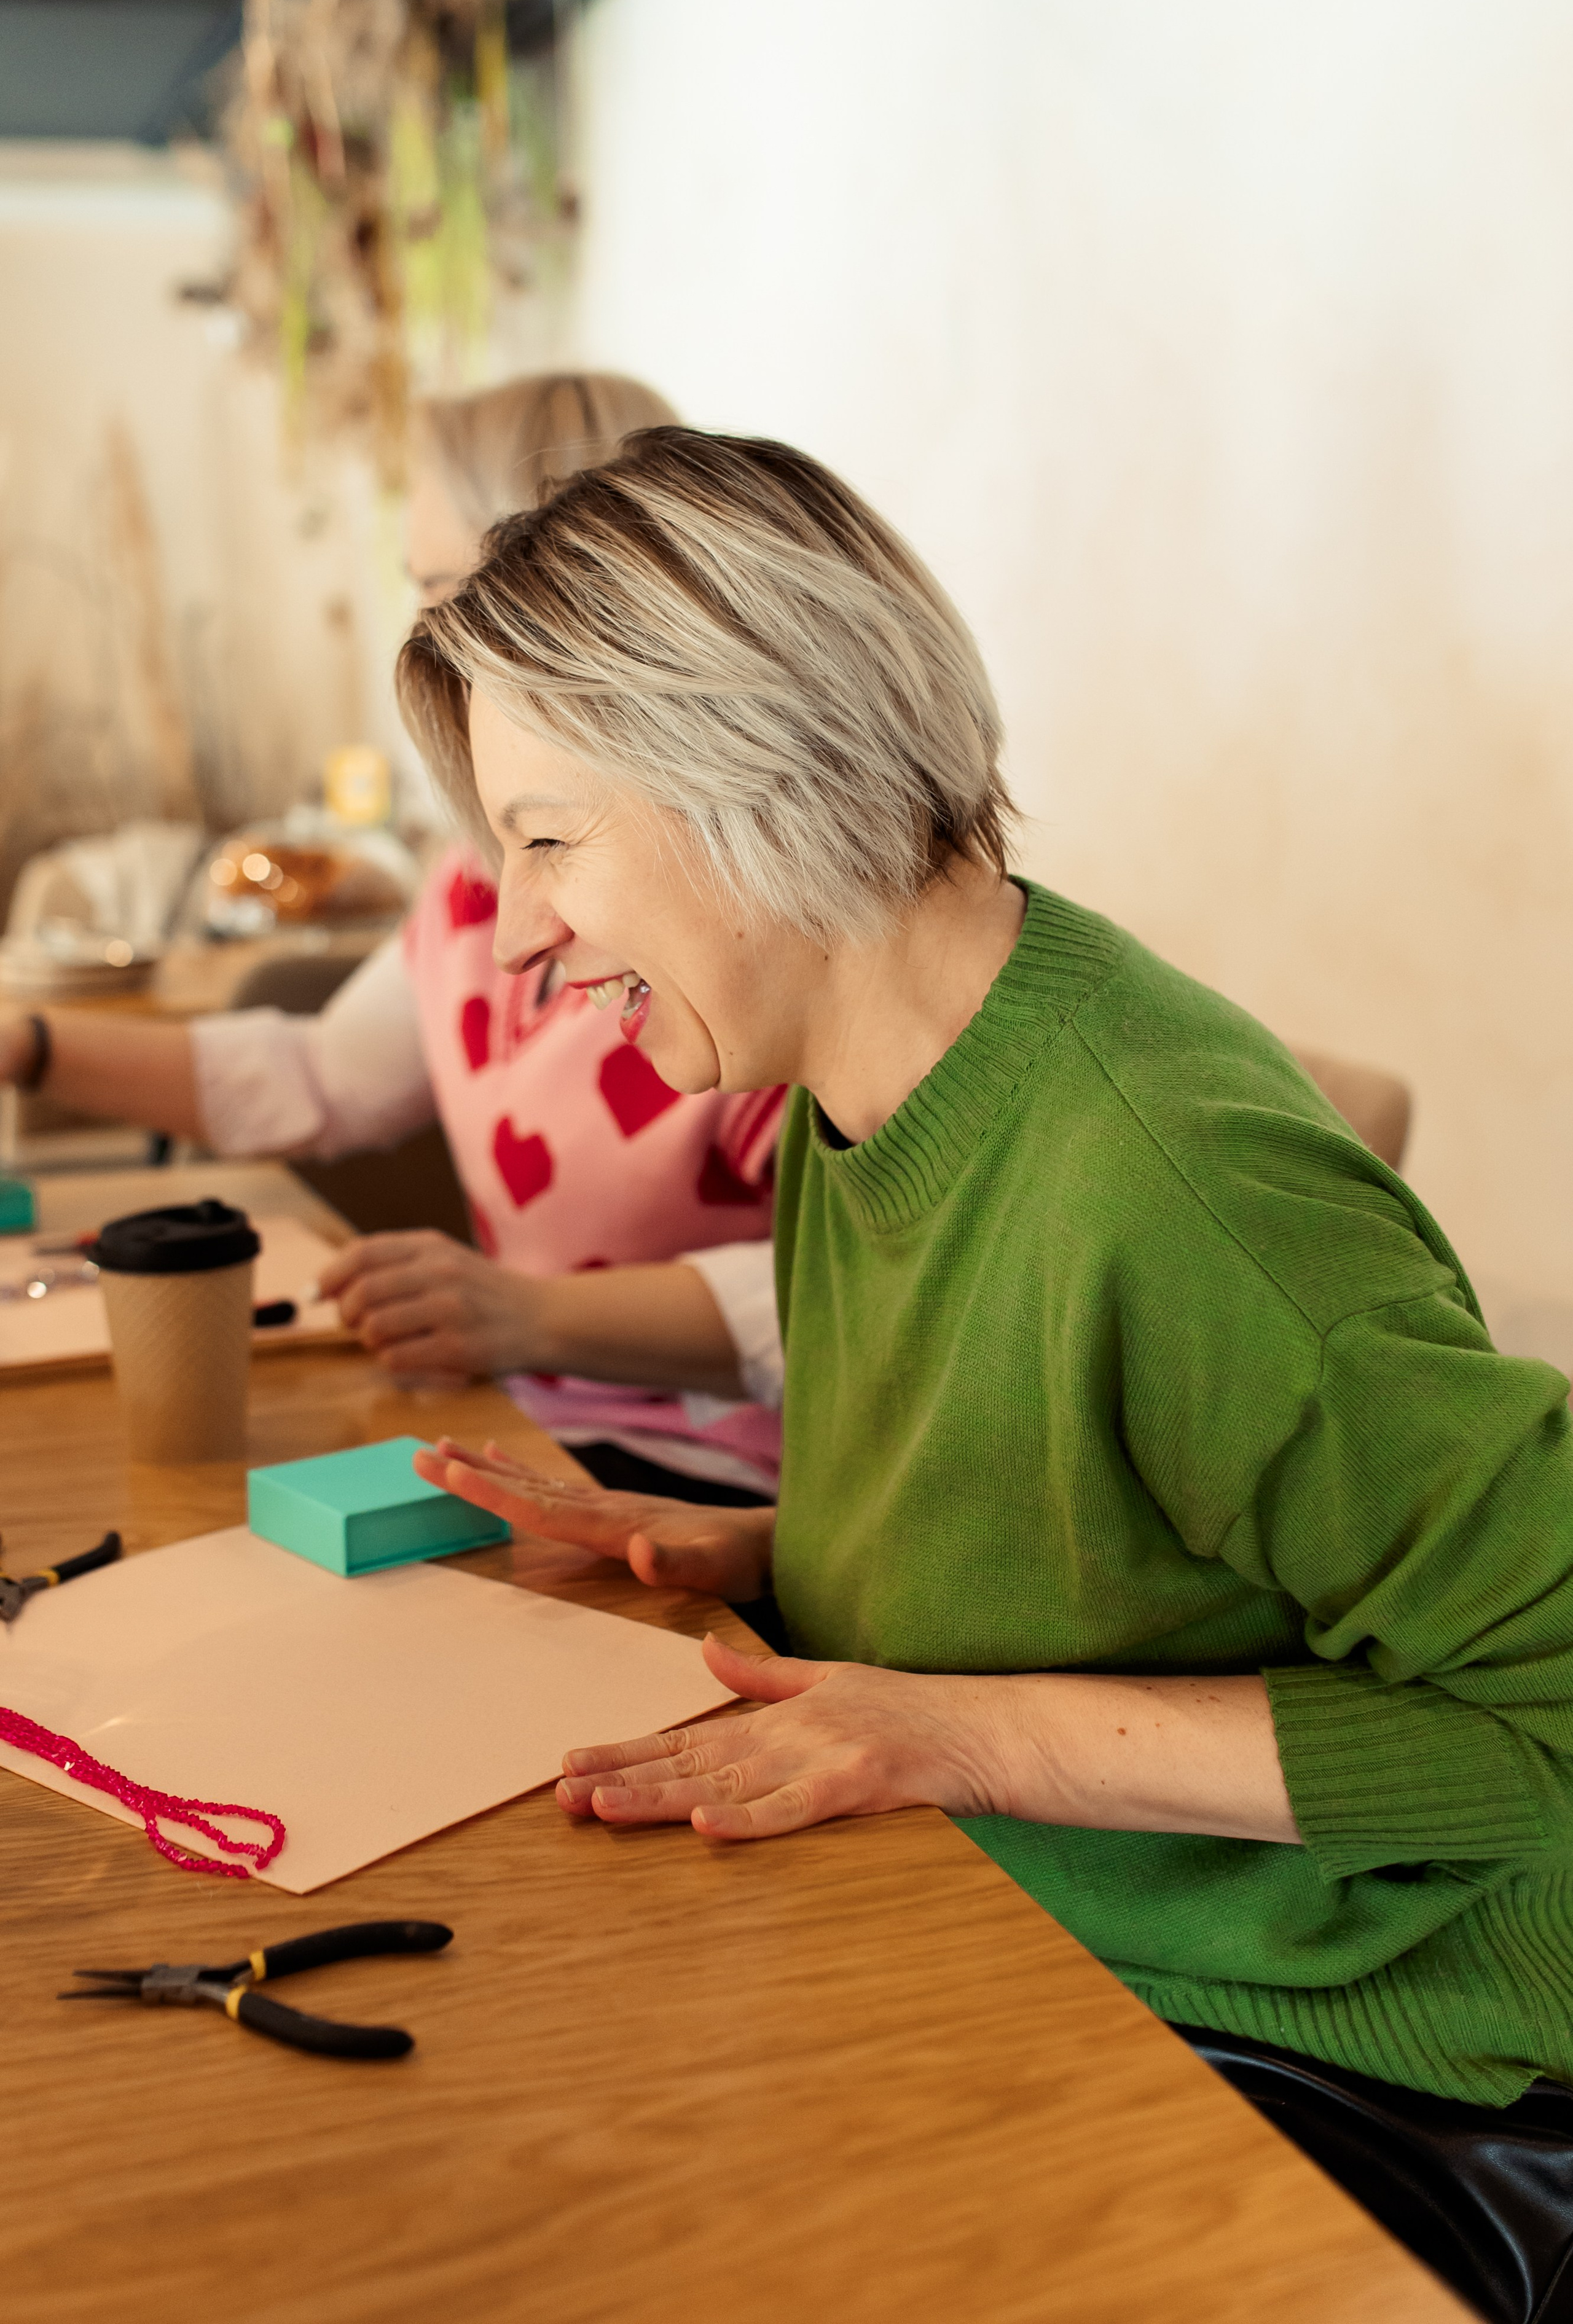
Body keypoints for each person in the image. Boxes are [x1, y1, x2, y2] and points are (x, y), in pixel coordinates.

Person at [401, 426, 1573, 2255]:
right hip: (1045, 1926)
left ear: (750, 761)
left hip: (1368, 2051)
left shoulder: (1175, 1185)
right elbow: (1126, 1544)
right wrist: (791, 1550)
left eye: (548, 841)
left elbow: (1545, 1715)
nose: (515, 939)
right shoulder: (845, 1079)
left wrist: (959, 1734)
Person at [0, 378, 783, 1508]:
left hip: (715, 1472)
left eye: (433, 587)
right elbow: (321, 1077)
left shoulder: (737, 920)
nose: (413, 634)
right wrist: (30, 1044)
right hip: (524, 1421)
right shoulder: (474, 887)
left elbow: (852, 1300)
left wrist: (529, 1314)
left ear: (567, 587)